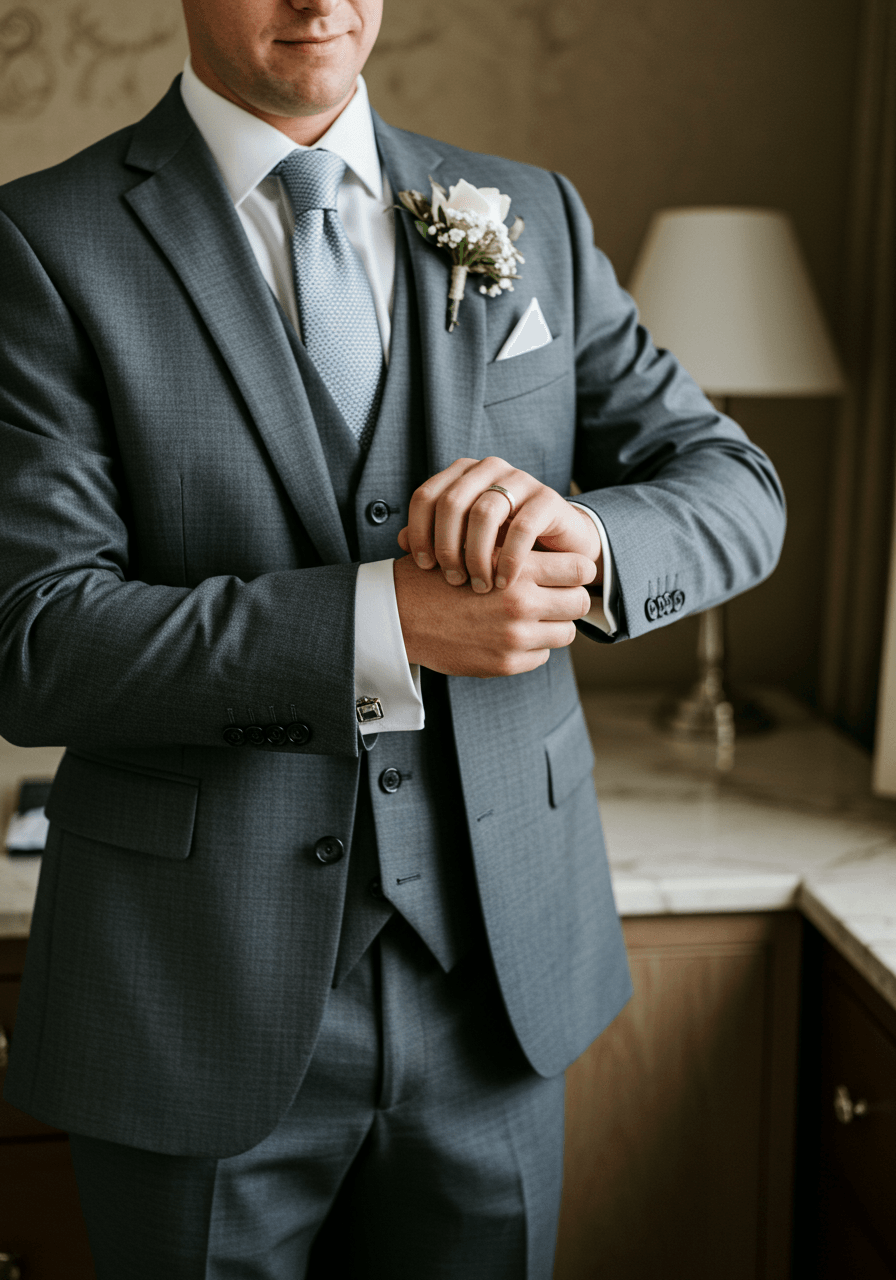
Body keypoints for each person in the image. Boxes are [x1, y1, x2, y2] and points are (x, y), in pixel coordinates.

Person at [0, 1, 785, 1276]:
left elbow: (734, 485)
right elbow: (34, 637)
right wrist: (383, 620)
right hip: (193, 995)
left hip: (498, 992)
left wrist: (581, 541)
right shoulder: (42, 242)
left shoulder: (528, 210)